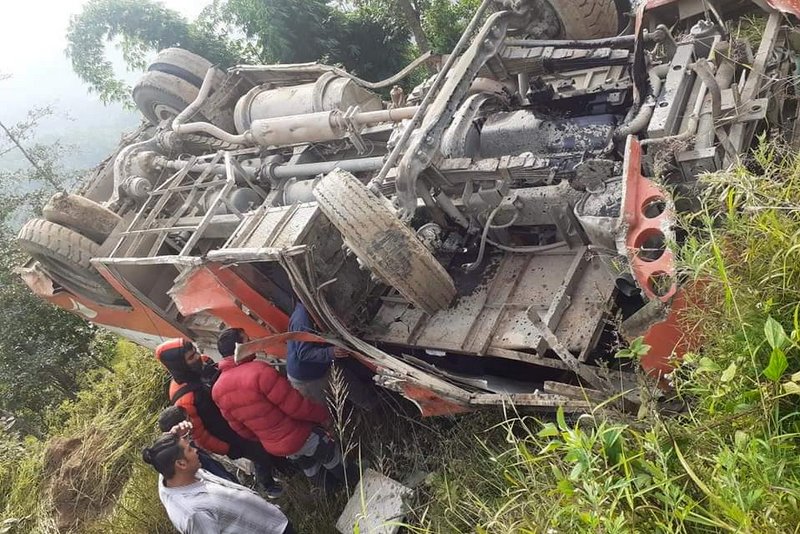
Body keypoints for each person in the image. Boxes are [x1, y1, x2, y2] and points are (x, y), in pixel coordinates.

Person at [211, 333, 355, 489]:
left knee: (310, 468)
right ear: (239, 348)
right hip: (300, 434)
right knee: (331, 457)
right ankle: (354, 481)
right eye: (248, 340)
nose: (253, 342)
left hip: (275, 446)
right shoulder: (259, 371)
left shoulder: (217, 390)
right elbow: (296, 407)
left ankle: (332, 493)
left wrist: (267, 437)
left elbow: (241, 429)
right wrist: (323, 416)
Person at [155, 338, 283, 498]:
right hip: (230, 436)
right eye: (190, 357)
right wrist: (228, 449)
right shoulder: (185, 399)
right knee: (259, 455)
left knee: (267, 444)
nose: (197, 356)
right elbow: (202, 437)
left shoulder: (204, 364)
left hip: (240, 417)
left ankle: (279, 466)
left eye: (195, 351)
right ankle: (268, 485)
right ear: (179, 365)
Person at [143, 430, 294, 534]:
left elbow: (162, 454)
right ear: (181, 464)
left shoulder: (169, 475)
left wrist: (176, 432)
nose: (195, 451)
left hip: (270, 521)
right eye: (189, 449)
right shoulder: (193, 513)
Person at [284, 302, 376, 409]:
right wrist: (330, 352)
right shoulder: (302, 319)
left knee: (352, 385)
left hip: (322, 364)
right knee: (322, 410)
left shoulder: (314, 309)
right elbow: (304, 353)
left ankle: (373, 405)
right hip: (307, 377)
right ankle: (371, 410)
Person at [158, 406, 237, 483]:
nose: (192, 421)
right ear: (181, 427)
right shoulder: (193, 457)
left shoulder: (172, 459)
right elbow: (219, 475)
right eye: (188, 419)